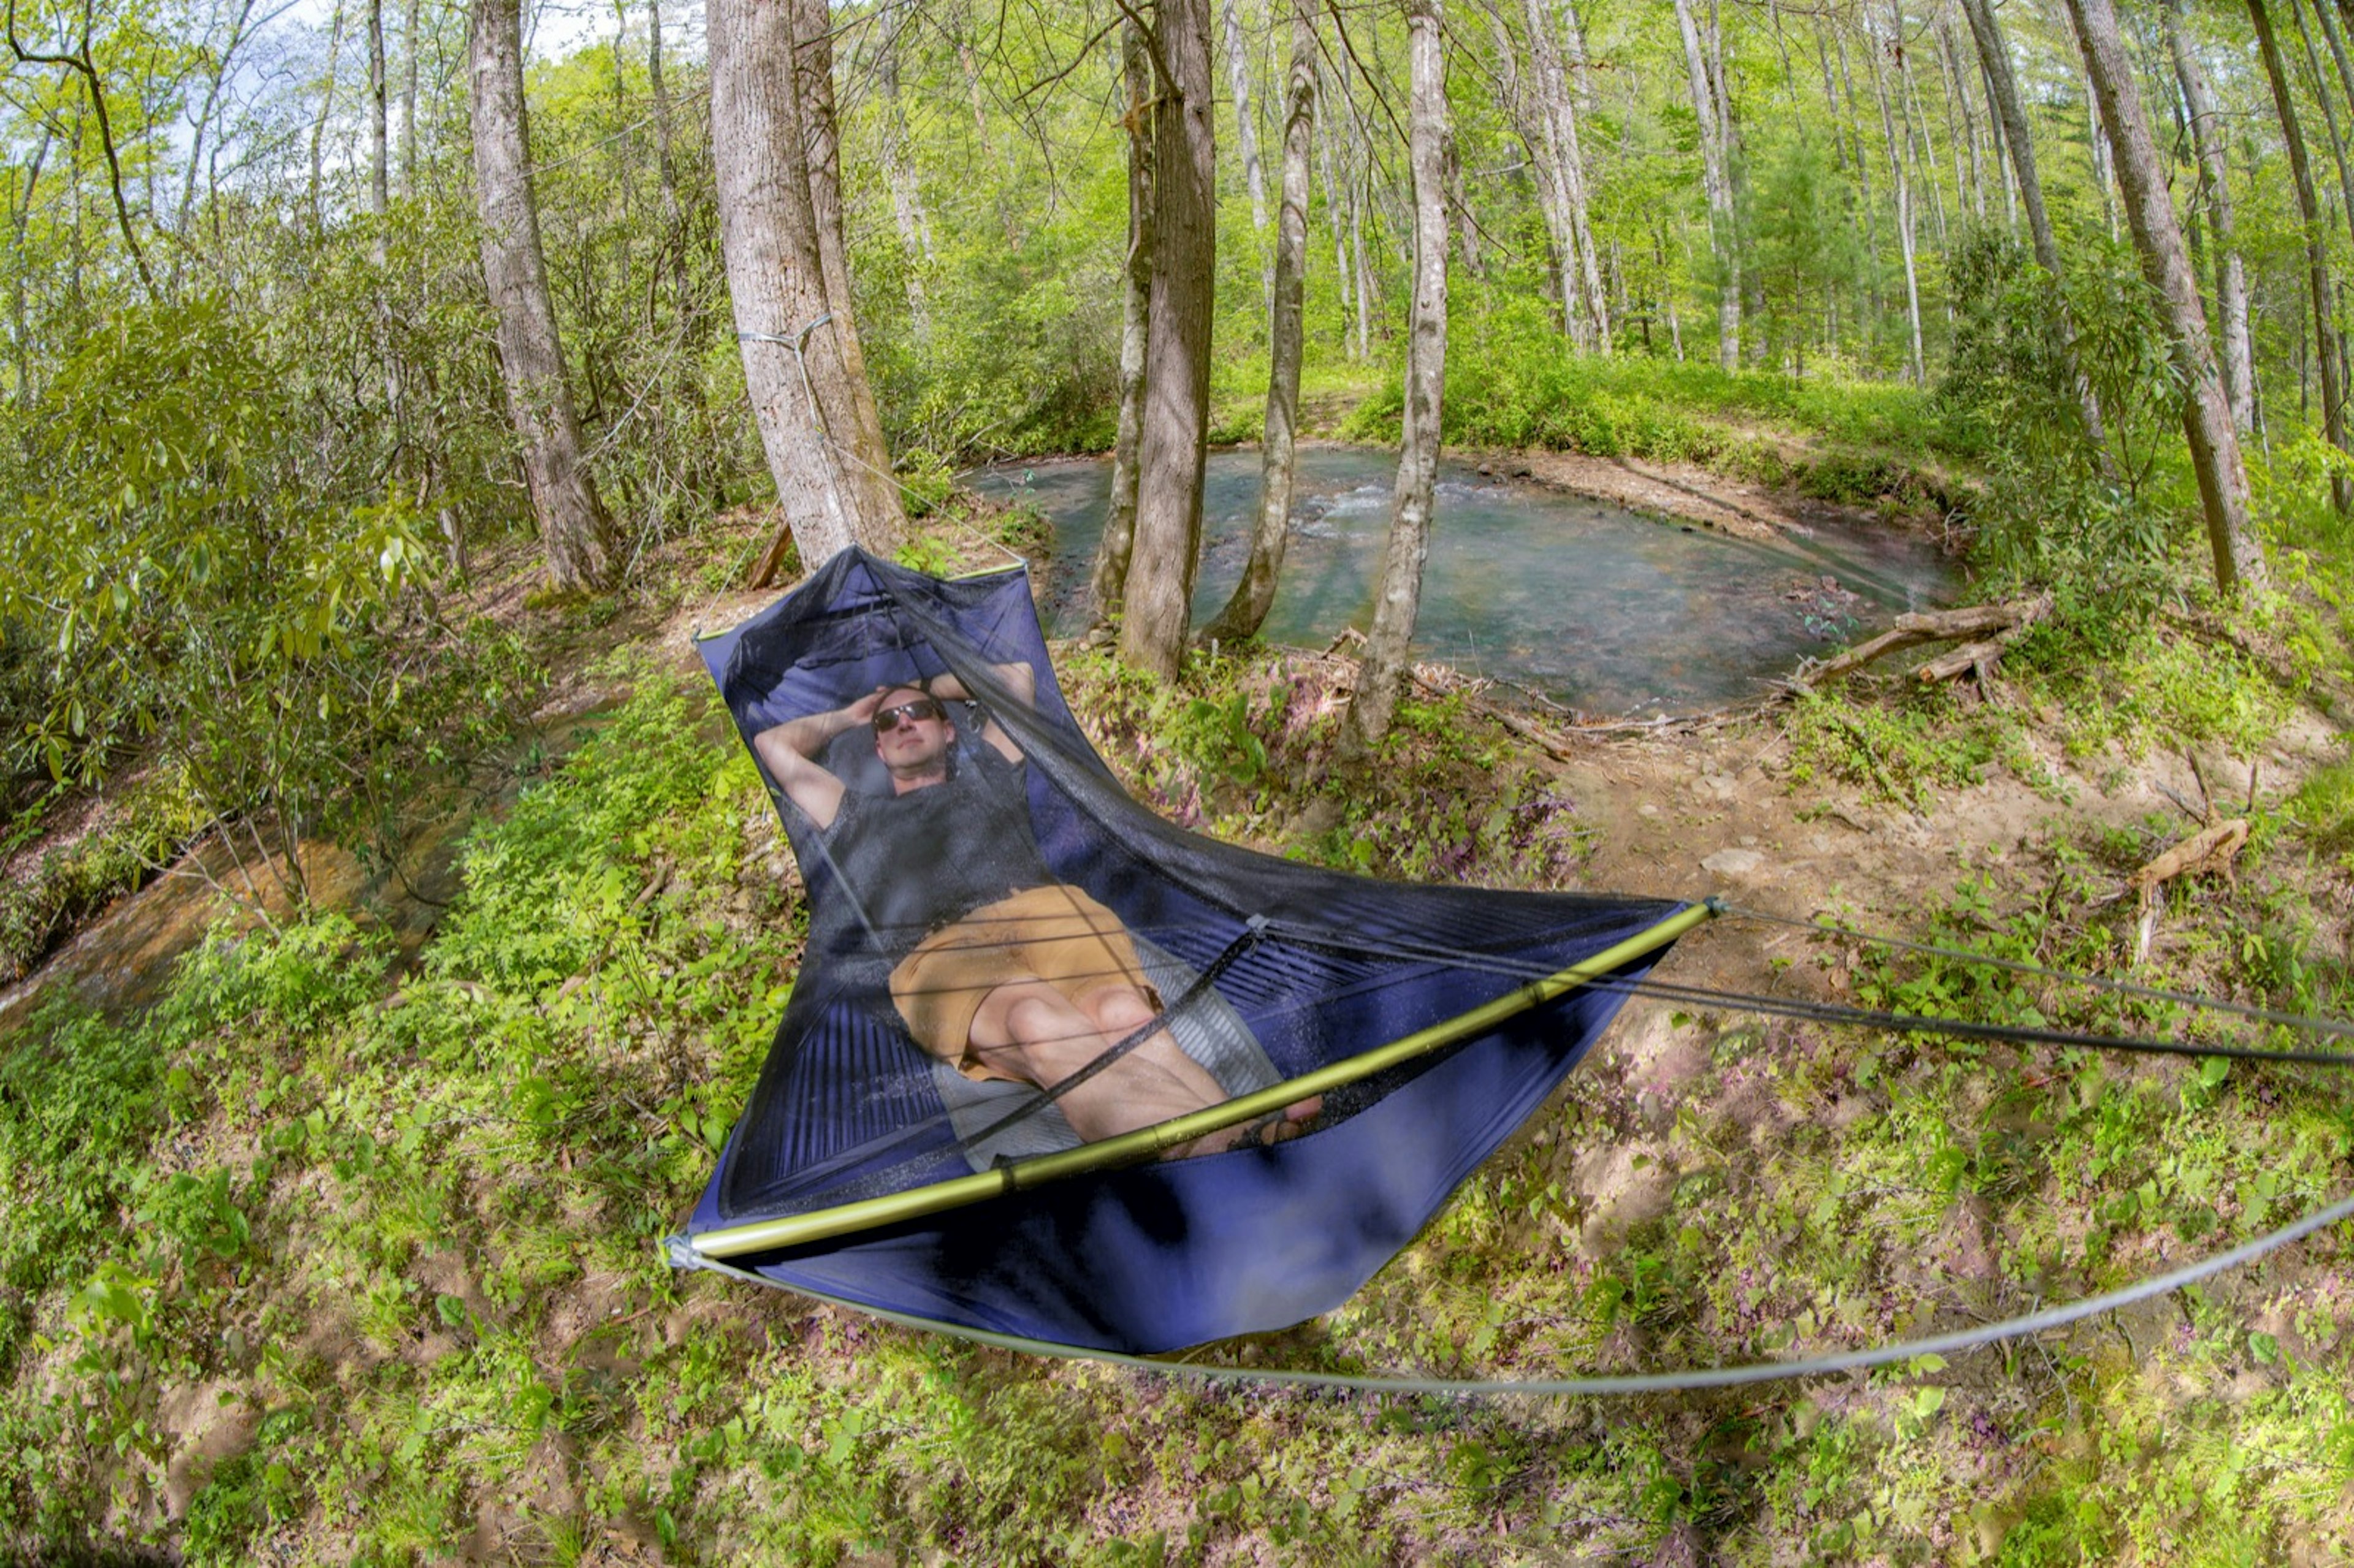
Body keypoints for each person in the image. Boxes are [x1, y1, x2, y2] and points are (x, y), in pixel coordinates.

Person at [752, 663, 1316, 1157]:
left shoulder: (992, 772)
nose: (902, 722)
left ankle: (1242, 1135)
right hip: (941, 949)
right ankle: (1230, 1146)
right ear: (876, 747)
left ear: (949, 729)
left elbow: (1014, 676)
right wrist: (855, 713)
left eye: (918, 712)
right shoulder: (853, 815)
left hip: (1048, 915)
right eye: (888, 721)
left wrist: (921, 683)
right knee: (1040, 1026)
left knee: (1127, 1018)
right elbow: (775, 745)